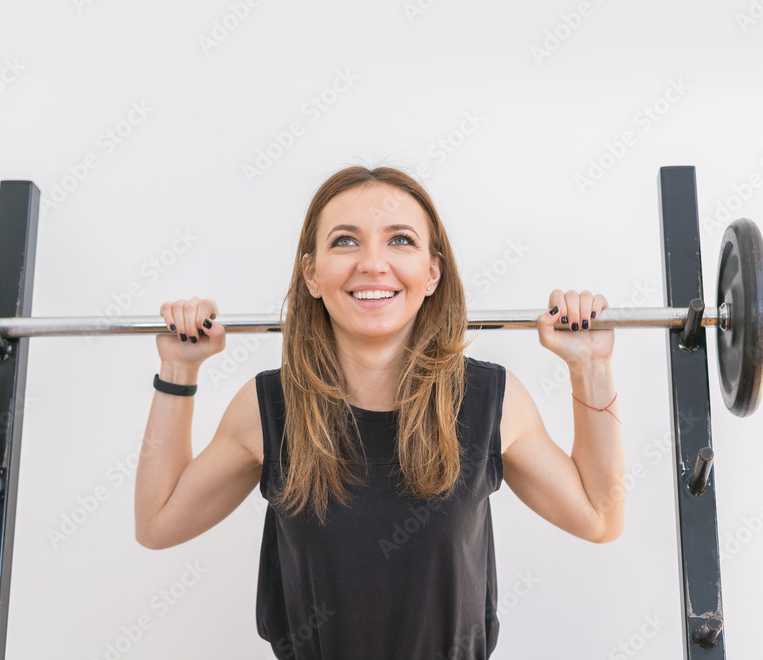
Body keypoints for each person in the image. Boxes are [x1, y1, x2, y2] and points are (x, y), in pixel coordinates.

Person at [133, 165, 624, 659]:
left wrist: (591, 366)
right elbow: (158, 524)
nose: (372, 264)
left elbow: (599, 517)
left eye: (400, 241)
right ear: (311, 274)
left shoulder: (490, 400)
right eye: (345, 241)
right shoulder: (269, 409)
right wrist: (178, 369)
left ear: (432, 273)